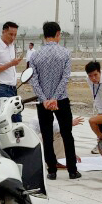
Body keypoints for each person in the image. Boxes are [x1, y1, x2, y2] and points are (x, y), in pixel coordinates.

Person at [29, 21, 80, 180]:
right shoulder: (65, 53)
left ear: (44, 35)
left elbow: (33, 80)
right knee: (67, 134)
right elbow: (65, 78)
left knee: (46, 134)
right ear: (58, 34)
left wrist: (45, 99)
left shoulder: (35, 55)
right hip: (61, 100)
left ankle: (51, 170)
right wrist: (55, 98)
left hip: (42, 101)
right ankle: (72, 170)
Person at [0, 21, 23, 123]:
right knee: (6, 124)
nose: (13, 37)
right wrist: (10, 64)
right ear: (3, 32)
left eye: (15, 35)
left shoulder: (12, 46)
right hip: (1, 90)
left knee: (16, 123)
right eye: (10, 34)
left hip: (12, 89)